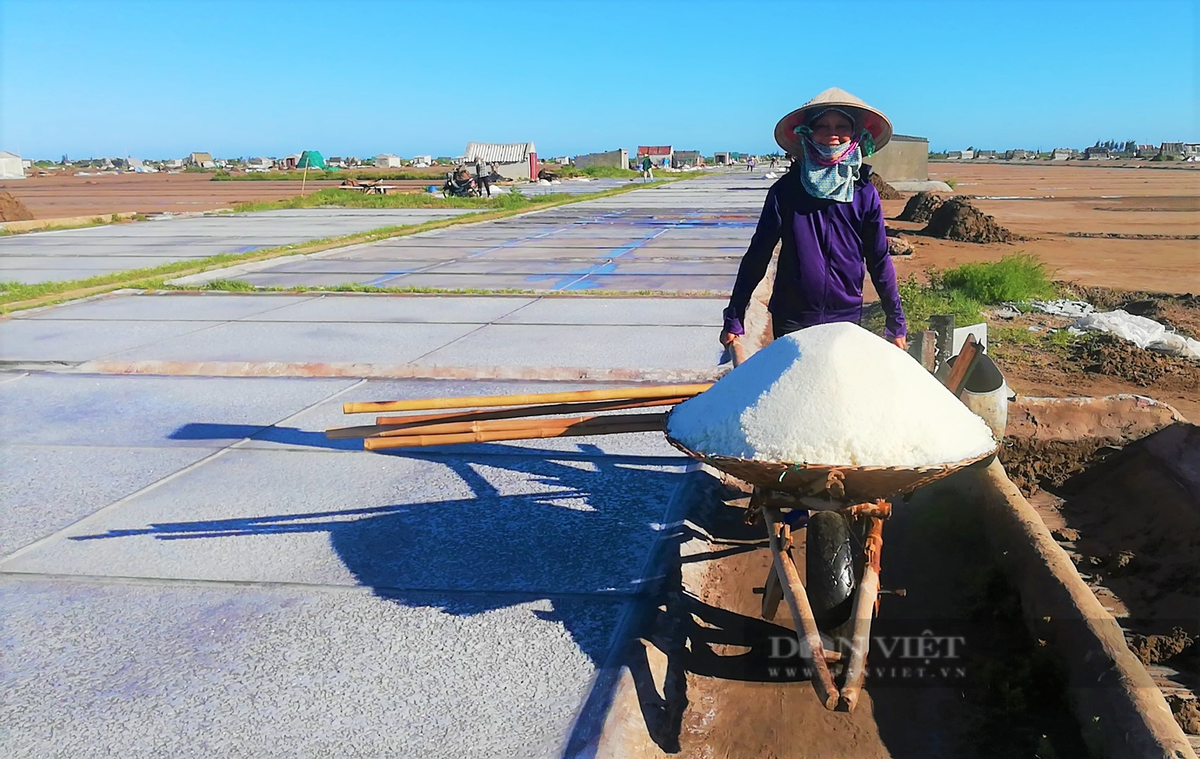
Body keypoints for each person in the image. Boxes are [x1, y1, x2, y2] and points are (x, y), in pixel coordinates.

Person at [720, 88, 907, 350]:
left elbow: (878, 259)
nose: (833, 134)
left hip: (846, 317)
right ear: (807, 133)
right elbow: (758, 255)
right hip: (793, 316)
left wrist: (895, 321)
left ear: (856, 135)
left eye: (842, 126)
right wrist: (734, 316)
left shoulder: (864, 193)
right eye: (822, 126)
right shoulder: (785, 191)